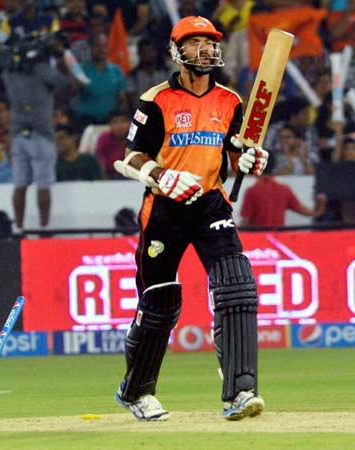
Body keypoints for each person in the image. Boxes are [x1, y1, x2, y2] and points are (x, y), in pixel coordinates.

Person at [113, 16, 268, 422]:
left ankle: (241, 390)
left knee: (236, 286)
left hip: (211, 203)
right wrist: (162, 175)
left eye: (209, 42)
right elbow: (131, 157)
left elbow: (237, 151)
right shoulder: (156, 99)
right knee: (159, 301)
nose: (205, 50)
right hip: (164, 208)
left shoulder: (230, 101)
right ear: (176, 51)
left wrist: (249, 160)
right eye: (195, 42)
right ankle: (136, 392)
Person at [1, 34, 69, 230]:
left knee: (19, 184)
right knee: (43, 184)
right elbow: (65, 83)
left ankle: (19, 228)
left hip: (17, 134)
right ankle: (44, 228)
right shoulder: (42, 70)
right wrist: (59, 56)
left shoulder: (9, 73)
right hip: (41, 133)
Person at [241, 155, 326, 227]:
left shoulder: (251, 191)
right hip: (278, 237)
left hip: (258, 237)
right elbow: (307, 212)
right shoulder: (284, 190)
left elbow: (245, 221)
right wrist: (320, 208)